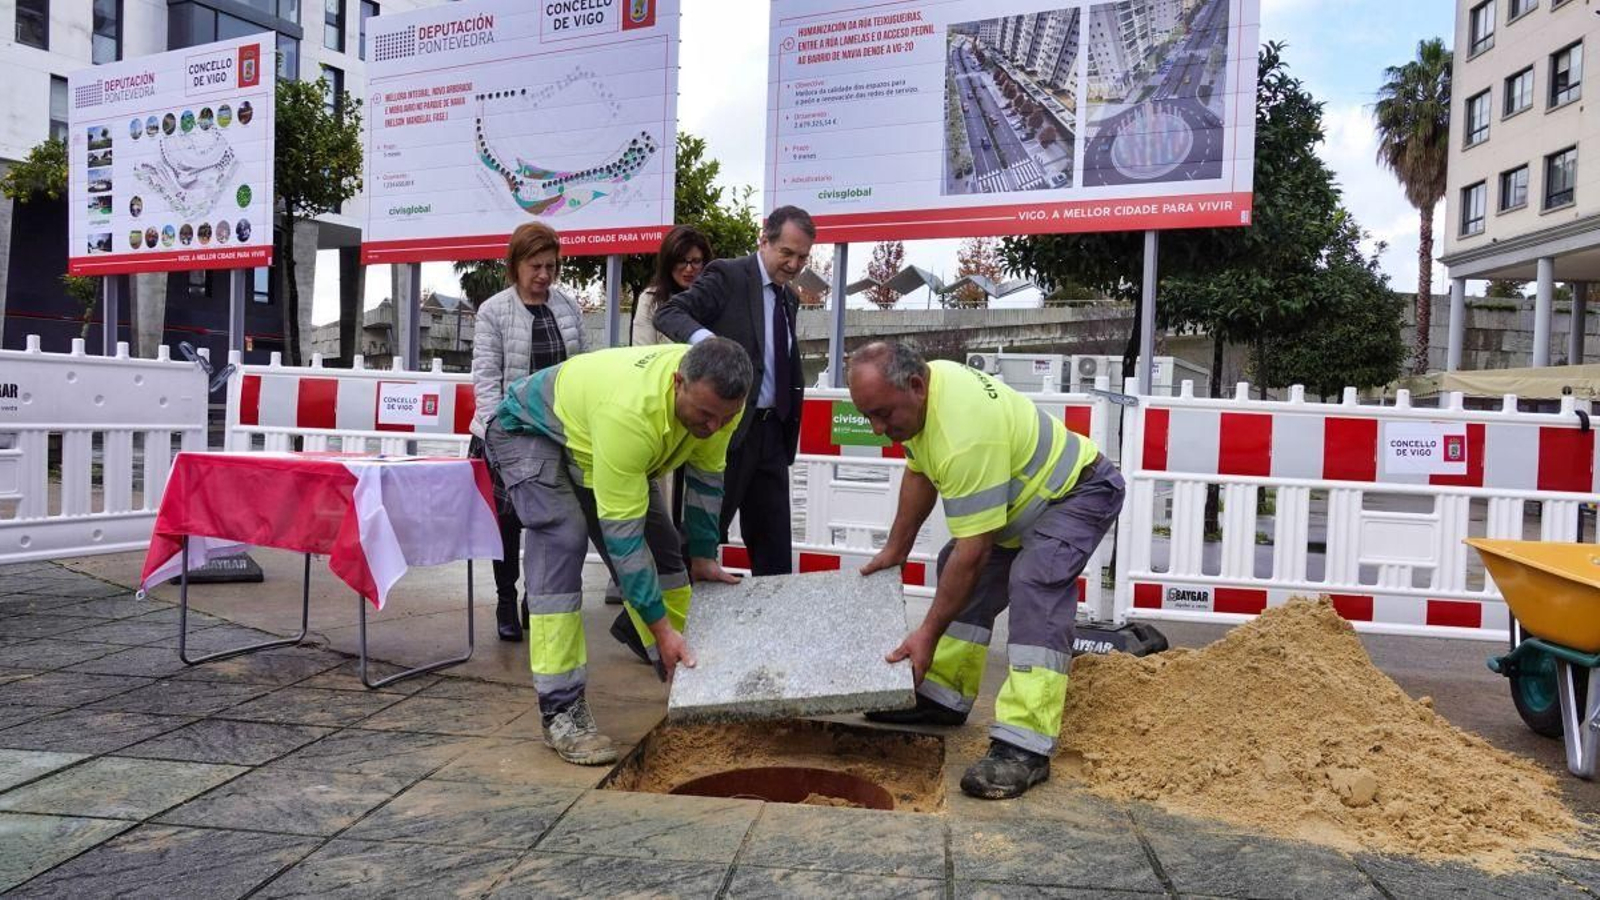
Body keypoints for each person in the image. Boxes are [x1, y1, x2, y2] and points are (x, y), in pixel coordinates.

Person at [847, 341, 1126, 800]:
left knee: (1035, 581)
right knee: (953, 567)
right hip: (1024, 505)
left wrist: (926, 635)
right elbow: (920, 472)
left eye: (882, 414)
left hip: (1079, 491)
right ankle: (944, 696)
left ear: (915, 386)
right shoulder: (923, 396)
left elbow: (974, 553)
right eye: (868, 417)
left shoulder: (964, 430)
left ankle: (1026, 743)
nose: (878, 429)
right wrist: (897, 548)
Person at [484, 339, 749, 764]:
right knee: (562, 537)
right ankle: (561, 710)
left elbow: (705, 478)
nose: (715, 427)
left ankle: (688, 676)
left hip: (591, 438)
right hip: (528, 428)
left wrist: (703, 557)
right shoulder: (630, 414)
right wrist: (661, 629)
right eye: (705, 415)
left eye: (726, 417)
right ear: (678, 382)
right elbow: (623, 541)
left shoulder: (722, 400)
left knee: (664, 550)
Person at [654, 206, 811, 576]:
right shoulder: (728, 275)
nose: (793, 264)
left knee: (775, 549)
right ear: (764, 241)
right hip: (726, 430)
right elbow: (669, 313)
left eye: (802, 257)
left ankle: (772, 614)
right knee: (701, 539)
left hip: (774, 433)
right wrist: (711, 344)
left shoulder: (789, 298)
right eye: (787, 253)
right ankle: (668, 610)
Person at [470, 222, 587, 642]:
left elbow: (581, 370)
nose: (543, 275)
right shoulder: (493, 311)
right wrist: (497, 434)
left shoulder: (568, 308)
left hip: (554, 435)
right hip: (508, 434)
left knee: (550, 523)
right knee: (506, 524)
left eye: (550, 266)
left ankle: (536, 599)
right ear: (515, 265)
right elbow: (486, 379)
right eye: (535, 266)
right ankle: (506, 599)